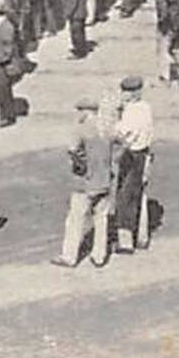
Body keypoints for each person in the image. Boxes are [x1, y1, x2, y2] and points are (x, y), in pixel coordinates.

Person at [52, 96, 114, 268]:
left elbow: (72, 150)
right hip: (104, 179)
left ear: (87, 112)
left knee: (75, 218)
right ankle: (99, 256)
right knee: (101, 218)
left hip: (85, 182)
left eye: (80, 111)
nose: (77, 114)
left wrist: (80, 166)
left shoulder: (81, 129)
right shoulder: (107, 129)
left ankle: (69, 256)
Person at [113, 75, 154, 253]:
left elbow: (121, 133)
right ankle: (142, 235)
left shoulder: (130, 112)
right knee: (139, 193)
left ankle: (125, 242)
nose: (123, 94)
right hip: (144, 153)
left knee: (125, 197)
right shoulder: (145, 108)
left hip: (131, 155)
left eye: (126, 92)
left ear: (132, 93)